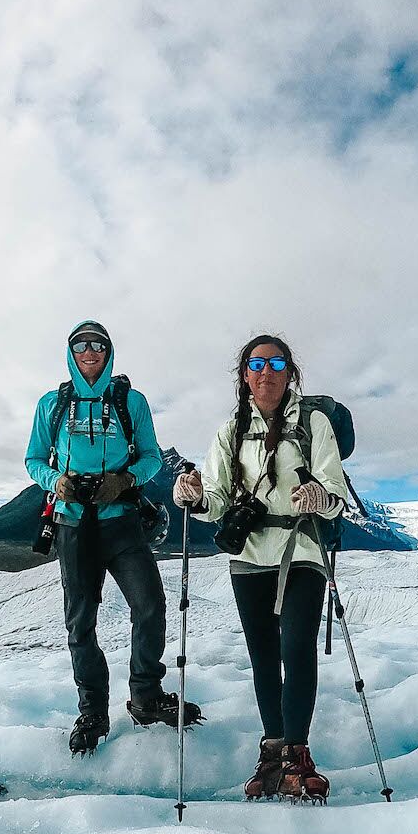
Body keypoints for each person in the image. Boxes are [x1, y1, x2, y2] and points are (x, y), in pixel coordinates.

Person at [173, 334, 348, 800]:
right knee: (264, 657)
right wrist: (192, 496)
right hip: (250, 558)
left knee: (296, 648)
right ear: (245, 375)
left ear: (290, 372)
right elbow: (214, 498)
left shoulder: (313, 424)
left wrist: (321, 497)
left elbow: (335, 490)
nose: (265, 372)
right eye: (256, 364)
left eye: (275, 363)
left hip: (301, 552)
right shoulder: (231, 430)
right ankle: (275, 748)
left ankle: (296, 751)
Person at [26, 320, 202, 754]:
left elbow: (151, 459)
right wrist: (56, 482)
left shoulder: (130, 402)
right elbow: (33, 459)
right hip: (71, 522)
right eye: (81, 346)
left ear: (108, 351)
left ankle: (145, 695)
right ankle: (93, 711)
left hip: (120, 520)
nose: (90, 353)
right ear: (71, 353)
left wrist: (123, 481)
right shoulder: (52, 405)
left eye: (98, 345)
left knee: (150, 605)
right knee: (80, 623)